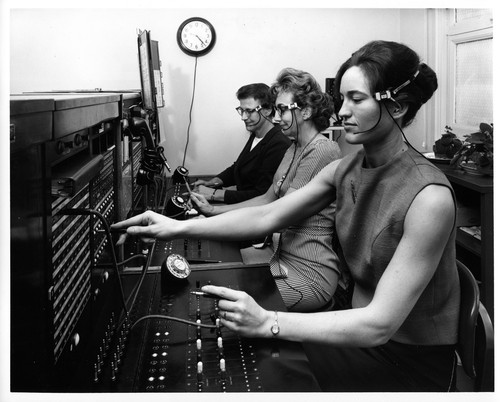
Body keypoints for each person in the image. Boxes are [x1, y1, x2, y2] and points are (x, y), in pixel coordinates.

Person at [112, 41, 460, 392]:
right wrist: (176, 227)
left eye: (357, 99)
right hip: (358, 337)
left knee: (268, 364)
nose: (342, 112)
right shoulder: (346, 167)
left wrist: (268, 322)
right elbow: (266, 216)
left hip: (402, 360)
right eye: (342, 99)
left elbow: (380, 323)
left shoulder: (429, 198)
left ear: (396, 106)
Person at [190, 68, 343, 312]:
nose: (277, 117)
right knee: (213, 282)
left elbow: (276, 216)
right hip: (281, 260)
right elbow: (265, 199)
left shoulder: (323, 150)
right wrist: (211, 211)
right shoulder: (293, 148)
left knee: (224, 304)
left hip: (310, 273)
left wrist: (196, 224)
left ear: (306, 111)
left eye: (283, 109)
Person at [192, 83, 290, 204]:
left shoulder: (279, 143)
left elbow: (262, 195)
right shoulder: (256, 133)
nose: (243, 117)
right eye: (241, 110)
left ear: (268, 110)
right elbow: (239, 167)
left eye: (249, 111)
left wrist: (213, 194)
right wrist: (213, 182)